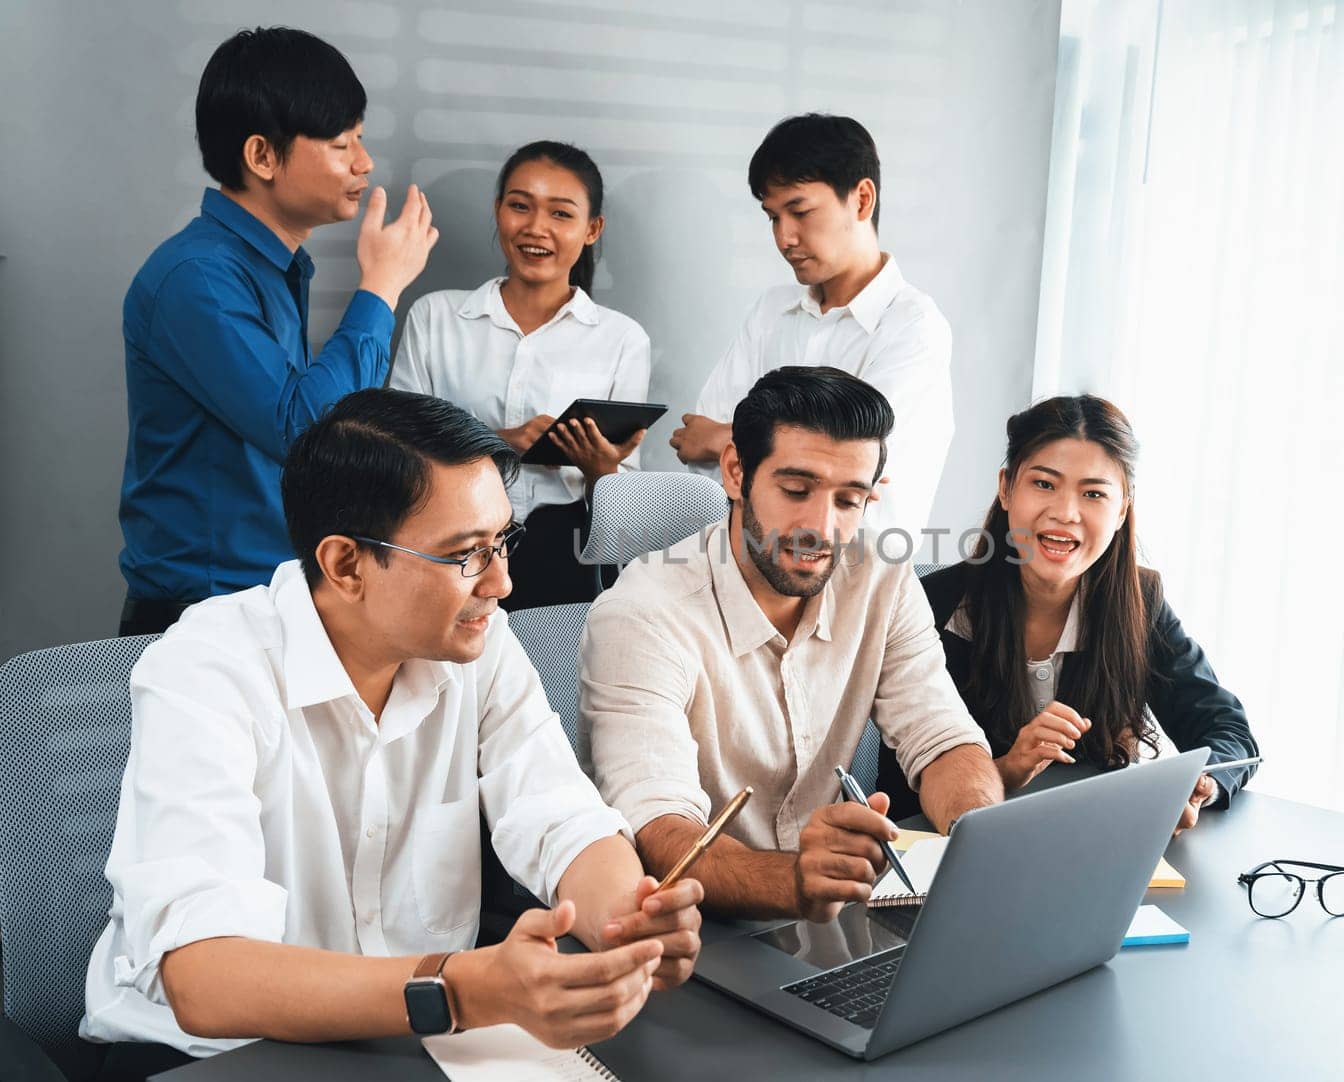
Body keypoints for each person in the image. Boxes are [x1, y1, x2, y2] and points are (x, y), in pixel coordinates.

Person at [82, 389, 702, 1076]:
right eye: (466, 554)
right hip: (217, 1053)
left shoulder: (479, 642)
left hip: (415, 1040)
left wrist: (626, 916)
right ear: (346, 564)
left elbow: (561, 815)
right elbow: (204, 977)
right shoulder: (207, 668)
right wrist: (461, 987)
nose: (501, 582)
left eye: (504, 540)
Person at [583, 366, 1002, 922]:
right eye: (796, 490)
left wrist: (982, 848)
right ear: (735, 471)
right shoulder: (641, 615)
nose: (821, 525)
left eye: (849, 500)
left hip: (830, 918)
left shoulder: (882, 580)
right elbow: (660, 830)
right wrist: (795, 883)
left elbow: (943, 739)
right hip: (697, 931)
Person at [117, 27, 438, 636]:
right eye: (341, 143)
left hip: (269, 600)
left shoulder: (273, 265)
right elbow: (308, 432)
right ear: (262, 156)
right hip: (203, 618)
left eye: (360, 139)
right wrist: (382, 286)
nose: (363, 163)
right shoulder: (199, 278)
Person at [875, 395, 1260, 834]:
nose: (1065, 513)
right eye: (1043, 484)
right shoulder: (932, 605)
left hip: (1092, 853)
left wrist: (1198, 785)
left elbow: (1227, 730)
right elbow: (899, 798)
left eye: (1094, 493)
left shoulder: (1140, 602)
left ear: (1122, 509)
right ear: (1006, 488)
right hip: (952, 862)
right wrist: (1007, 768)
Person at [670, 114, 953, 543]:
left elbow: (859, 468)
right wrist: (724, 441)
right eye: (772, 217)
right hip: (748, 560)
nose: (784, 237)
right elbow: (700, 451)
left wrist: (727, 438)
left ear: (861, 199)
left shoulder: (913, 326)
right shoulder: (772, 310)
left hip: (857, 575)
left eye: (799, 211)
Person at [391, 141, 649, 608]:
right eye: (519, 206)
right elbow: (393, 448)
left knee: (551, 676)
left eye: (561, 214)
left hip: (564, 554)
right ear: (498, 210)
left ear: (593, 229)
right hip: (445, 545)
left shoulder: (622, 339)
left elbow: (623, 506)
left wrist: (601, 469)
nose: (535, 228)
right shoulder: (435, 317)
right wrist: (498, 442)